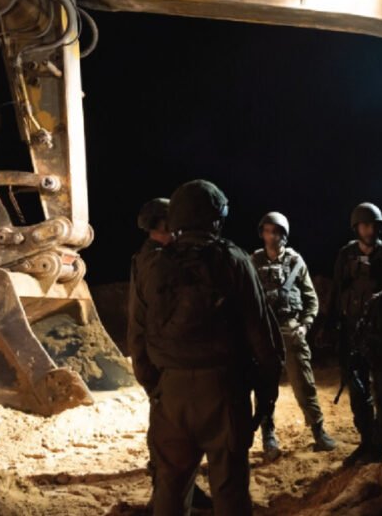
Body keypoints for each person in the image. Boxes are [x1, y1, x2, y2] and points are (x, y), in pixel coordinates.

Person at [128, 180, 284, 516]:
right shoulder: (234, 260)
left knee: (170, 489)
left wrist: (157, 388)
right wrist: (265, 394)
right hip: (224, 391)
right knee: (229, 491)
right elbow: (263, 338)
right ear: (217, 217)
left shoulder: (151, 264)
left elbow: (137, 340)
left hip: (171, 393)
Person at [128, 197, 212, 512]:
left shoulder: (156, 257)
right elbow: (139, 323)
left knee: (174, 438)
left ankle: (179, 493)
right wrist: (148, 376)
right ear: (163, 224)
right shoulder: (152, 261)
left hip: (164, 364)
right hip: (162, 366)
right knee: (166, 440)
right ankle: (164, 498)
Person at [250, 211, 336, 460]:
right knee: (265, 386)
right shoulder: (253, 261)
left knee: (303, 382)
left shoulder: (296, 262)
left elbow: (311, 299)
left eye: (276, 231)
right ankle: (268, 435)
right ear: (262, 233)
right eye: (268, 231)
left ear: (284, 235)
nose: (272, 236)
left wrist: (305, 326)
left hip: (290, 327)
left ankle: (318, 430)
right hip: (264, 331)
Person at [326, 202, 382, 466]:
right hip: (352, 332)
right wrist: (330, 325)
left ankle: (379, 445)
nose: (369, 230)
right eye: (364, 225)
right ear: (356, 227)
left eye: (373, 225)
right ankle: (366, 441)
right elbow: (337, 291)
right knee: (358, 392)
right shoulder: (346, 255)